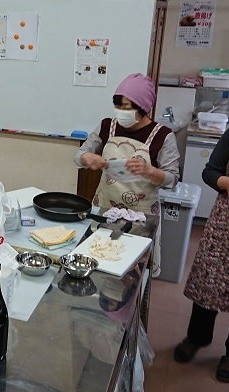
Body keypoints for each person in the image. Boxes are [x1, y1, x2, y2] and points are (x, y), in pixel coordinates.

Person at [74, 73, 181, 276]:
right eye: (118, 106)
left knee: (134, 274)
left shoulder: (162, 136)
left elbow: (172, 180)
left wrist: (150, 171)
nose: (121, 112)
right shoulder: (107, 126)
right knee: (99, 262)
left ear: (143, 107)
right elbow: (79, 156)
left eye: (127, 107)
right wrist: (89, 158)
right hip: (104, 210)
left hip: (142, 218)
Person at [173, 123, 229, 383]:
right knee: (208, 283)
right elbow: (210, 171)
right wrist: (226, 181)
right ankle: (196, 339)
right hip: (225, 228)